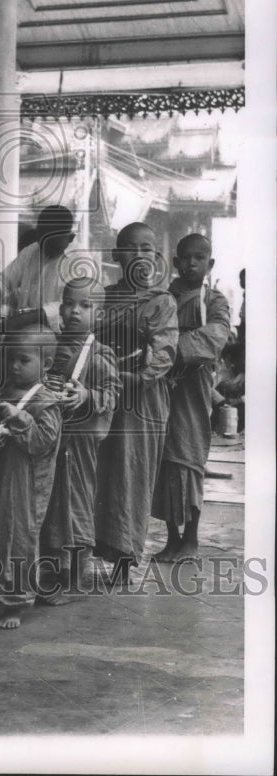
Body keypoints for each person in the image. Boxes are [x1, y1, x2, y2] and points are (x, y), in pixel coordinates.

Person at [94, 222, 179, 582]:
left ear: (157, 258)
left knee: (133, 473)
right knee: (101, 471)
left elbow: (164, 352)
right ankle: (98, 547)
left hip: (141, 402)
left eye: (147, 249)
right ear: (117, 255)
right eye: (132, 248)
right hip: (102, 397)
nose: (140, 255)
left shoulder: (161, 301)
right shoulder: (103, 297)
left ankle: (126, 557)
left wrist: (134, 377)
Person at [0, 323, 63, 628]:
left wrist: (17, 416)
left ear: (46, 364)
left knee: (18, 540)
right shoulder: (5, 392)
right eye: (11, 358)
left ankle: (16, 603)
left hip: (24, 488)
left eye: (24, 360)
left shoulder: (46, 401)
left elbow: (41, 442)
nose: (14, 366)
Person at [39, 277, 120, 599]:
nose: (75, 311)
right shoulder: (52, 346)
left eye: (85, 306)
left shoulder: (100, 354)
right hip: (52, 441)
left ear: (98, 314)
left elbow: (112, 395)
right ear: (60, 308)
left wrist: (87, 394)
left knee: (76, 503)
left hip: (81, 443)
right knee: (53, 504)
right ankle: (57, 570)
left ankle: (77, 579)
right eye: (69, 304)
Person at [151, 234, 230, 562]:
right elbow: (150, 332)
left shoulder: (214, 300)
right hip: (161, 388)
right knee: (165, 463)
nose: (192, 263)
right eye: (186, 257)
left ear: (210, 264)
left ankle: (192, 539)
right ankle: (172, 539)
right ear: (175, 261)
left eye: (200, 258)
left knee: (190, 461)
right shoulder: (163, 297)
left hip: (194, 391)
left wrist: (170, 347)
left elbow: (215, 338)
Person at [1, 205, 76, 334]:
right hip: (23, 332)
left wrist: (25, 319)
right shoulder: (32, 250)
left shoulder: (80, 261)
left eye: (52, 243)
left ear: (70, 238)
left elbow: (74, 306)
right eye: (42, 238)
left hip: (61, 336)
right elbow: (4, 280)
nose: (45, 248)